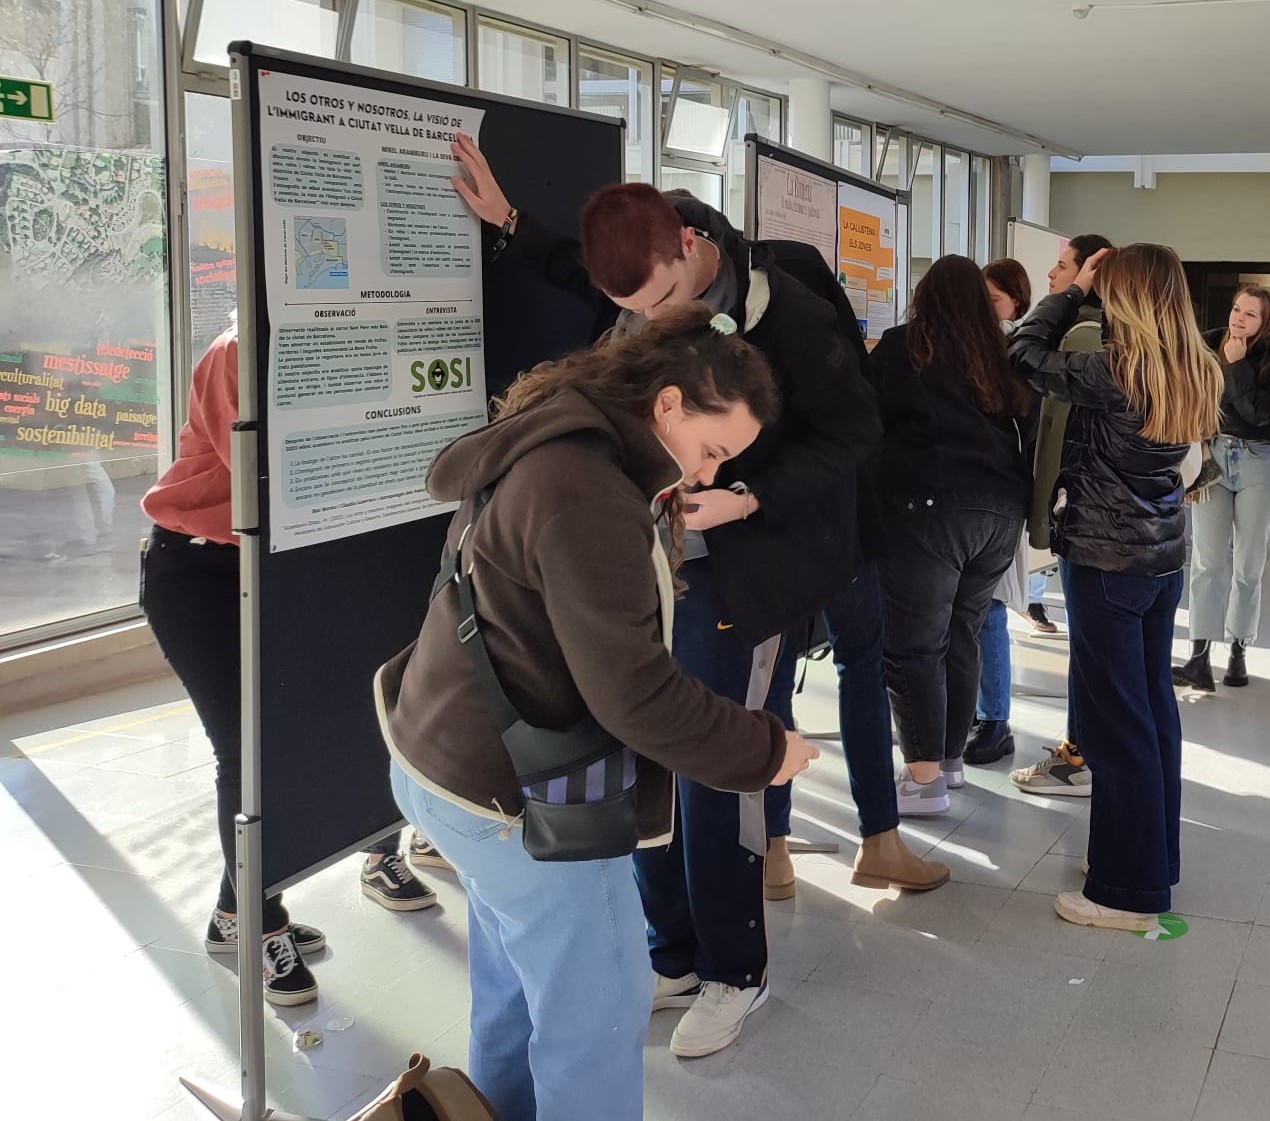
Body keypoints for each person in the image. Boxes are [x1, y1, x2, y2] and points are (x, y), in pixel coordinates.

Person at [452, 142, 885, 1056]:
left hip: (751, 563)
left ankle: (737, 971)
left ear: (690, 245)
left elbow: (853, 437)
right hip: (662, 555)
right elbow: (584, 269)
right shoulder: (644, 260)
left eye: (661, 303)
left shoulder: (789, 314)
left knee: (719, 756)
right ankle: (676, 951)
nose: (654, 324)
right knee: (643, 740)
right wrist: (512, 225)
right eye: (634, 315)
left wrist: (745, 494)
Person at [376, 308, 819, 1121]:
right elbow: (639, 695)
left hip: (447, 759)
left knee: (512, 995)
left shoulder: (560, 438)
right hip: (519, 800)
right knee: (593, 1027)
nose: (710, 475)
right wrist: (765, 750)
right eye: (712, 450)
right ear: (669, 406)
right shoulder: (587, 493)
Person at [138, 320, 437, 1010]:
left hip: (279, 570)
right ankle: (261, 926)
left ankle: (232, 910)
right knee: (245, 755)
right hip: (201, 570)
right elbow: (267, 483)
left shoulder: (345, 335)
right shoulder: (236, 350)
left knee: (311, 732)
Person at [1009, 242, 1221, 930]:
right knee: (1153, 715)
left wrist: (1071, 294)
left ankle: (1127, 893)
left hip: (1106, 561)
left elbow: (1023, 352)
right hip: (1160, 558)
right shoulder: (1195, 368)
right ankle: (1150, 860)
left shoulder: (1116, 370)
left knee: (1117, 727)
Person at [873, 255, 1036, 818]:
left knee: (915, 647)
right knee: (962, 636)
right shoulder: (1002, 355)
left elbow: (871, 421)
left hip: (929, 507)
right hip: (1001, 514)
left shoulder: (903, 346)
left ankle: (922, 784)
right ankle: (948, 763)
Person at [1009, 233, 1116, 798]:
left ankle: (1078, 757)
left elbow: (1052, 429)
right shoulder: (1144, 346)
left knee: (1092, 657)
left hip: (1089, 520)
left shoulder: (1083, 336)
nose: (1053, 276)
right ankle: (1085, 755)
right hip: (1140, 532)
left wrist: (1042, 513)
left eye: (1065, 268)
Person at [1175, 284, 1270, 691]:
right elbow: (1189, 398)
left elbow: (1260, 414)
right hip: (1212, 458)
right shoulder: (1208, 344)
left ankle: (1239, 650)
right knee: (1207, 562)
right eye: (1236, 308)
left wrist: (1237, 366)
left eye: (1250, 314)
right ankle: (1198, 657)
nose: (1238, 318)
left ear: (1266, 322)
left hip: (1257, 462)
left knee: (1248, 565)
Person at [969, 258, 1038, 768]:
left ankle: (995, 719)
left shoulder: (1016, 351)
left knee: (989, 610)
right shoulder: (983, 346)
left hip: (1000, 495)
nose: (985, 310)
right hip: (985, 497)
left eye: (994, 300)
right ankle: (983, 715)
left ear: (1017, 301)